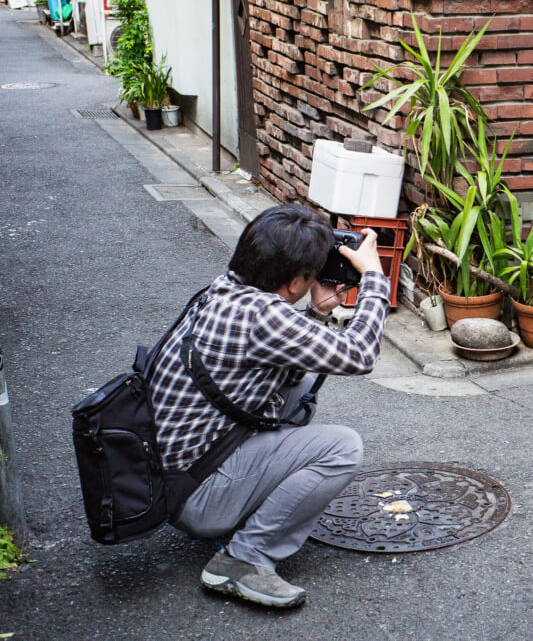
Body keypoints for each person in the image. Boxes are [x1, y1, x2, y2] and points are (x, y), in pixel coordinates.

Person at [147, 204, 389, 608]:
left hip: (169, 478)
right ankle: (244, 559)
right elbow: (360, 354)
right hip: (195, 497)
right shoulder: (263, 316)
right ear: (295, 282)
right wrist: (375, 279)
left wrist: (316, 312)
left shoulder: (224, 288)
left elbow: (279, 356)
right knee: (342, 447)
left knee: (300, 393)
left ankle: (250, 509)